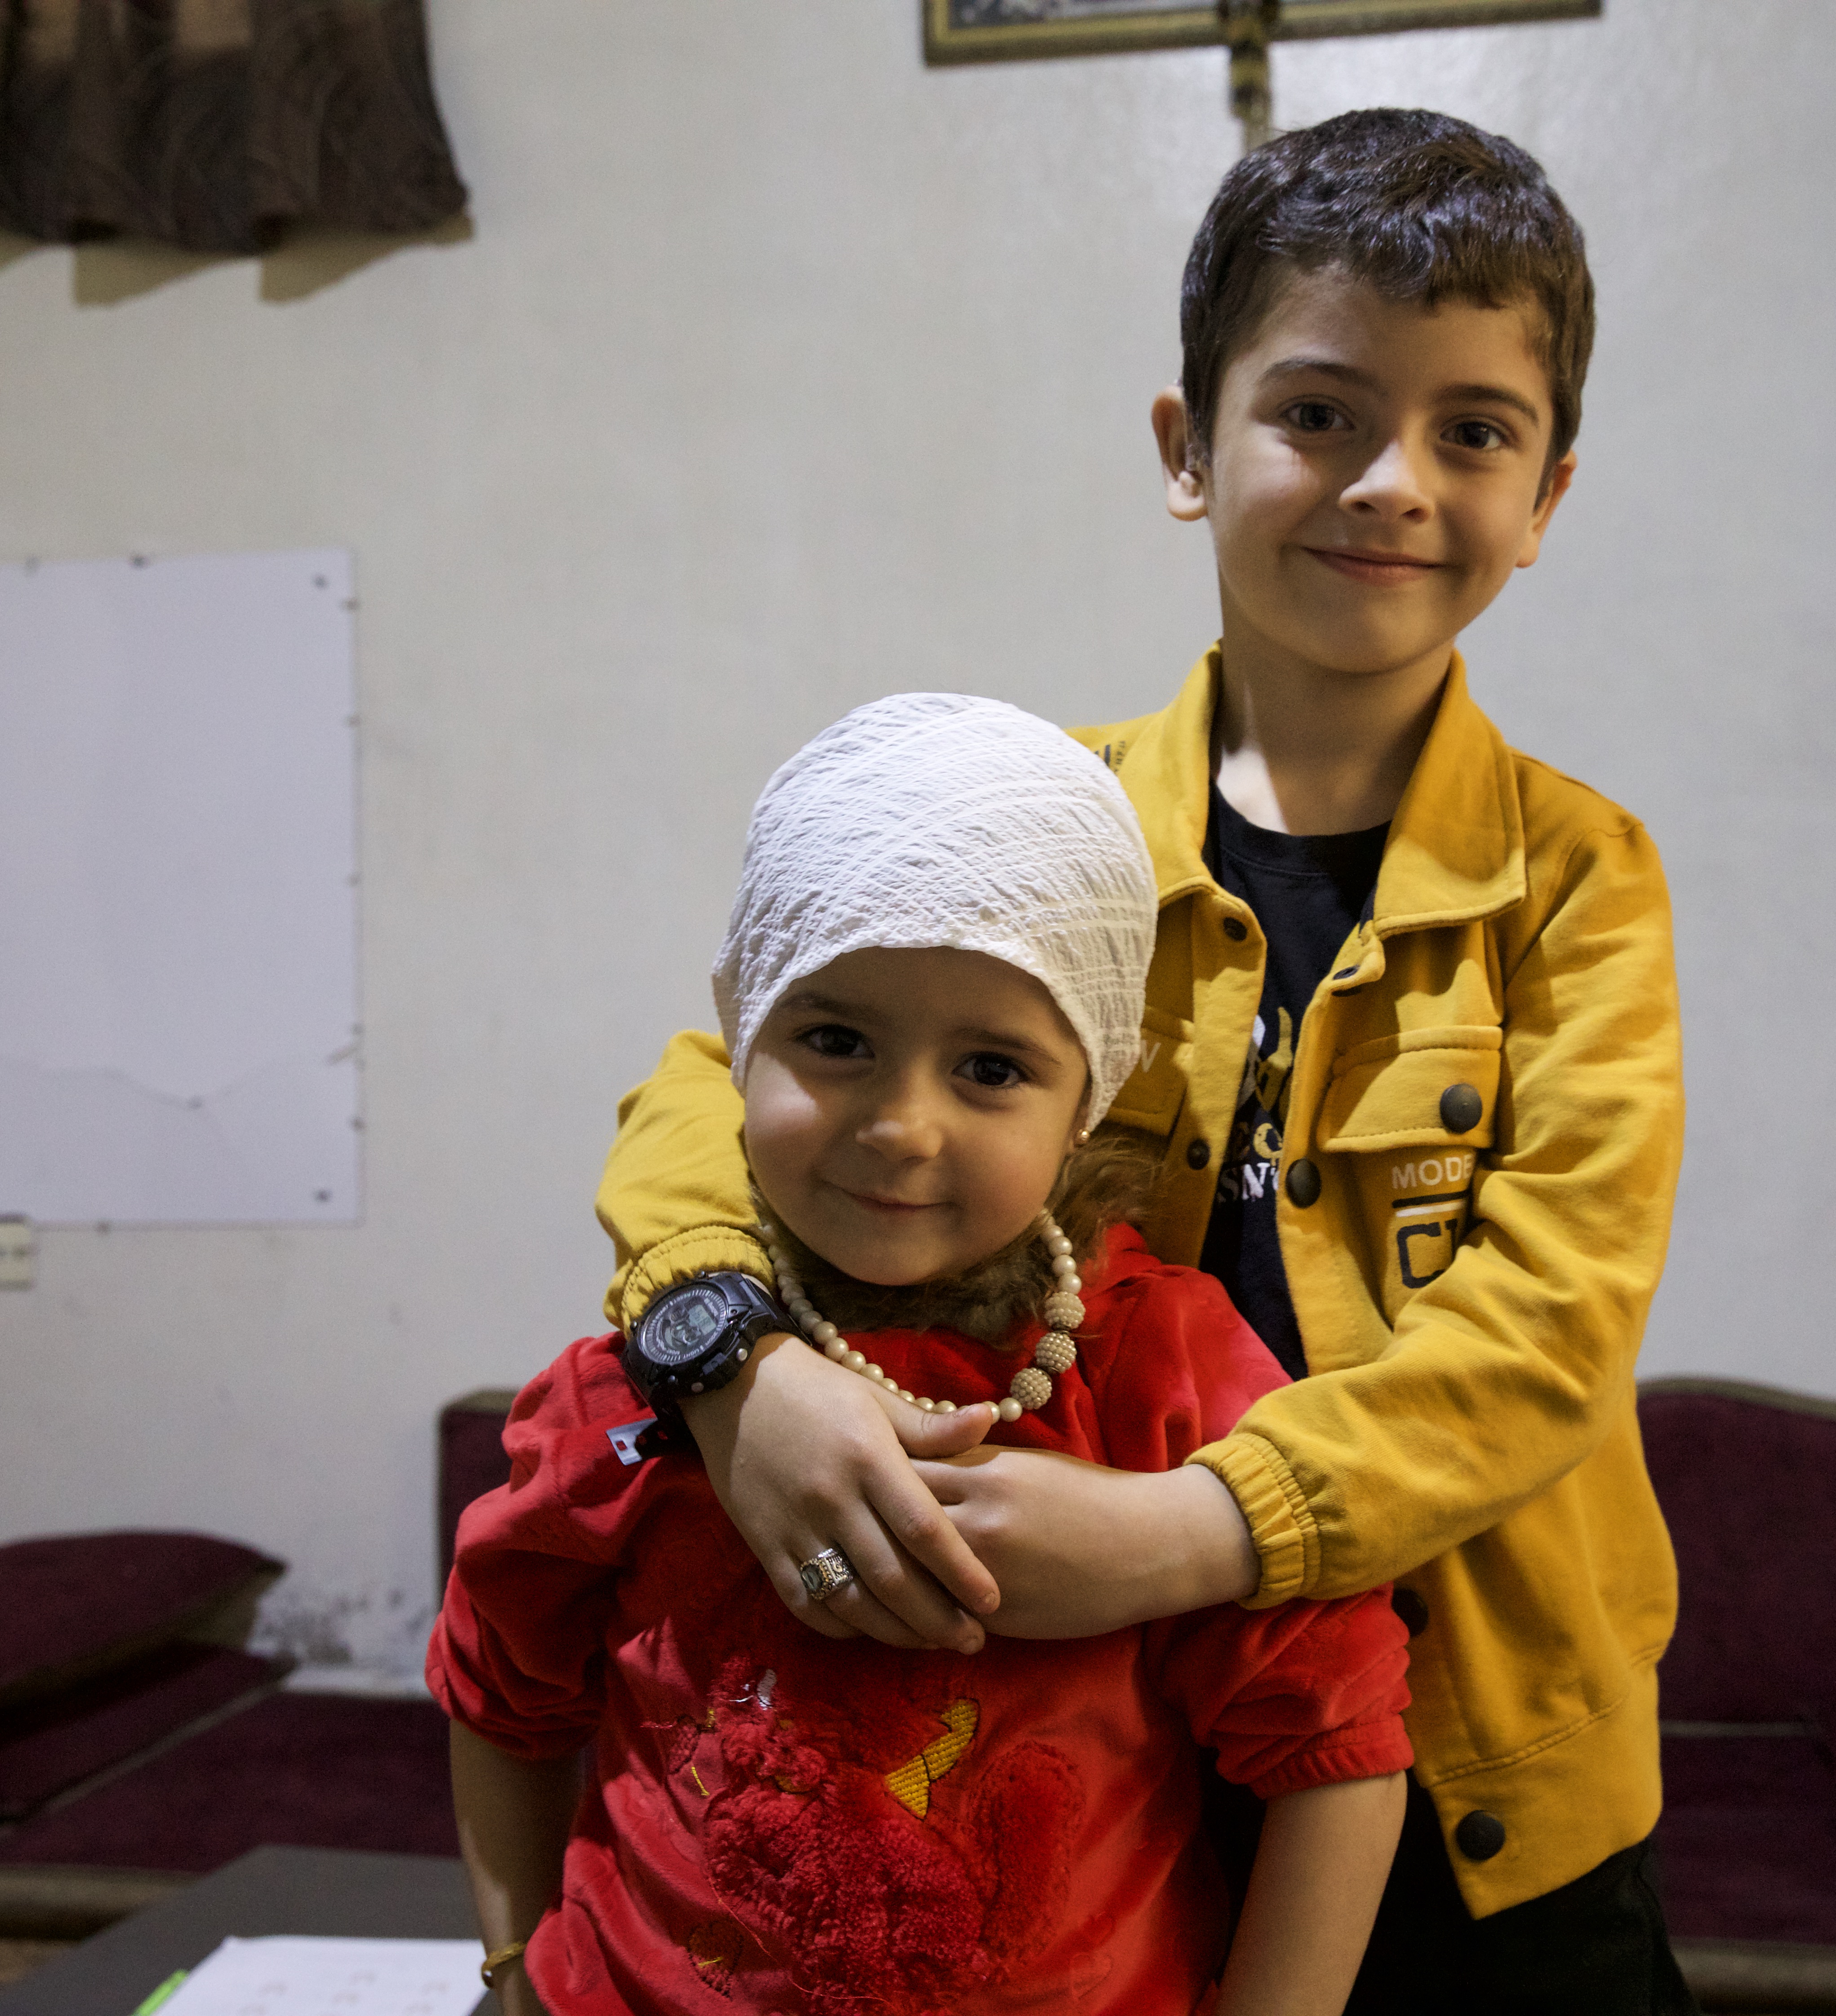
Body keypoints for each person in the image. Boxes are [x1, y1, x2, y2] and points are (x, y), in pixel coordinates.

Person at [591, 109, 1694, 2013]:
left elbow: (1545, 1339)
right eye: (1322, 414)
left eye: (1474, 432)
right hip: (1104, 1755)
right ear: (1190, 451)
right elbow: (719, 1079)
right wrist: (729, 1361)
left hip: (1484, 1785)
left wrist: (1190, 1531)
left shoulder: (1581, 883)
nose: (1394, 484)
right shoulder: (1045, 814)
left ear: (1550, 497)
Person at [432, 695, 1414, 2016]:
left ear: (1093, 1100)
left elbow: (1336, 1746)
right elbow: (502, 1688)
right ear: (743, 1034)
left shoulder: (1161, 1375)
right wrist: (509, 1970)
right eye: (835, 1041)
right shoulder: (647, 1380)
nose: (901, 1126)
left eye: (993, 1069)